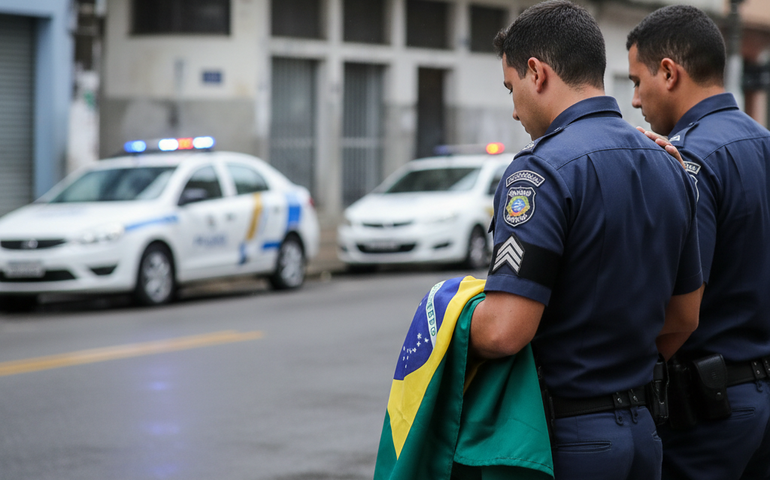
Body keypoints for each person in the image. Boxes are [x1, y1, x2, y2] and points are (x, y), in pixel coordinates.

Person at [467, 1, 703, 479]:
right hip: (642, 432)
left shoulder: (538, 173)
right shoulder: (670, 165)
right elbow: (684, 316)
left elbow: (503, 331)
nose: (513, 111)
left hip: (569, 438)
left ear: (536, 72)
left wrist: (440, 322)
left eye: (511, 89)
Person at [627, 5, 770, 479]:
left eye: (636, 80)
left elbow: (678, 310)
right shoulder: (763, 142)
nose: (633, 100)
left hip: (711, 411)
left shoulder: (690, 159)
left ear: (668, 73)